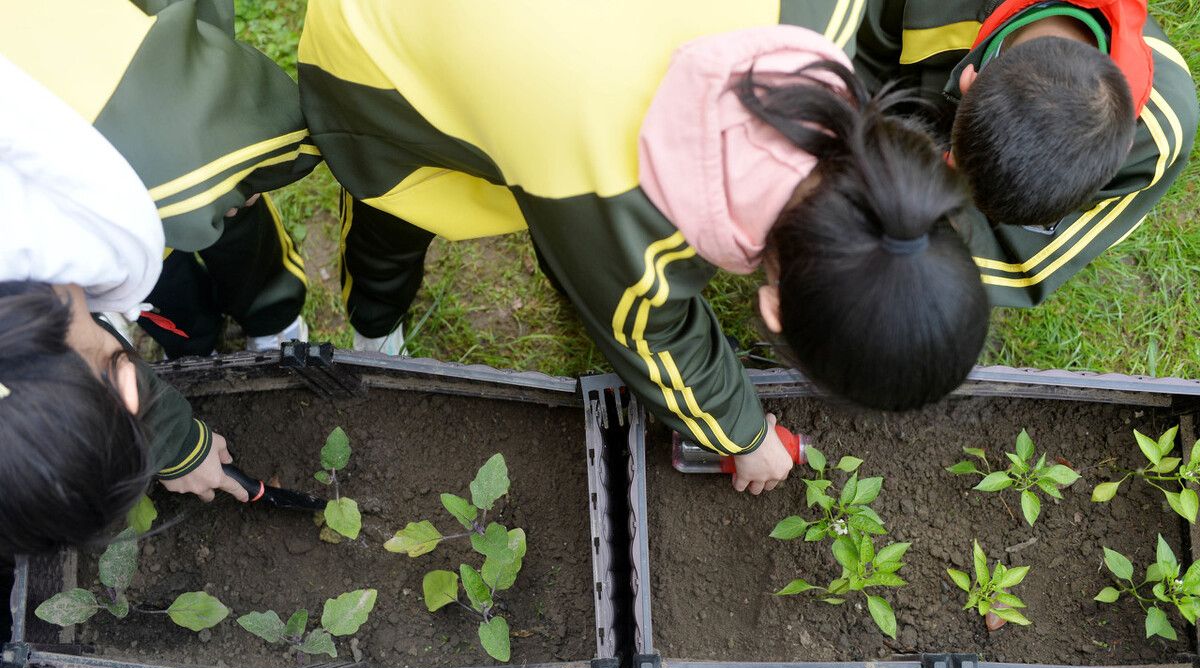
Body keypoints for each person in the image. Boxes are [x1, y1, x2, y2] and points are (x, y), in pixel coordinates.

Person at [298, 0, 990, 495]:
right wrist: (744, 436)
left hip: (553, 55)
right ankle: (373, 329)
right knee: (400, 206)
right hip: (384, 48)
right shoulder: (619, 215)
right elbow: (654, 340)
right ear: (773, 311)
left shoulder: (827, 19)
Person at [0, 0, 322, 357]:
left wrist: (227, 125)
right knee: (153, 282)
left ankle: (271, 316)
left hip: (163, 114)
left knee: (238, 218)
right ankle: (192, 341)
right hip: (72, 218)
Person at [854, 0, 1199, 306]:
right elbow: (862, 51)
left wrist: (896, 257)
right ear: (968, 80)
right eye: (953, 171)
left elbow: (1019, 260)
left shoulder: (1159, 132)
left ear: (1123, 150)